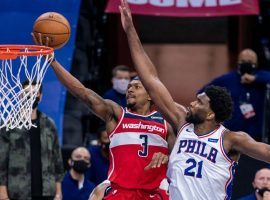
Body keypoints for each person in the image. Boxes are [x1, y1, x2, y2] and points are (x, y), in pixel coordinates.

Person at [119, 0, 270, 199]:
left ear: (210, 113)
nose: (191, 103)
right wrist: (130, 31)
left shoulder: (230, 139)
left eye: (199, 102)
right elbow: (152, 81)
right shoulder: (181, 121)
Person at [32, 35, 175, 200]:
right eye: (129, 87)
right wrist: (53, 62)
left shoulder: (166, 124)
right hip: (121, 193)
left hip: (153, 194)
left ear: (151, 95)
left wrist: (168, 156)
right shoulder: (117, 114)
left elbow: (180, 159)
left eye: (136, 87)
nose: (130, 90)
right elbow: (83, 93)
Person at [0, 81, 64, 200]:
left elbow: (57, 161)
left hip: (46, 191)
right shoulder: (8, 125)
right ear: (20, 96)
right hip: (18, 191)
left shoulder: (49, 124)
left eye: (35, 93)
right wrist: (2, 193)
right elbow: (1, 161)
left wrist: (58, 193)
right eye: (26, 93)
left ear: (40, 96)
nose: (30, 96)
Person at [199, 49, 270, 141]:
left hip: (257, 137)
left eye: (250, 62)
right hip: (231, 135)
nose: (246, 64)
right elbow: (202, 93)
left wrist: (256, 79)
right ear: (238, 62)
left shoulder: (262, 77)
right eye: (243, 61)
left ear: (256, 64)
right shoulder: (227, 79)